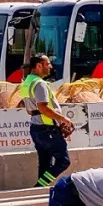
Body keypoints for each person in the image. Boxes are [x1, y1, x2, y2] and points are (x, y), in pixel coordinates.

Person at [20, 54, 75, 188]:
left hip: (36, 129)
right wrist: (63, 119)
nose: (50, 67)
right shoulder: (40, 84)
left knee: (45, 163)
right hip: (47, 129)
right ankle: (39, 187)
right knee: (63, 162)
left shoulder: (26, 82)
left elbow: (29, 110)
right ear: (39, 65)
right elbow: (43, 108)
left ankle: (38, 194)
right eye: (48, 64)